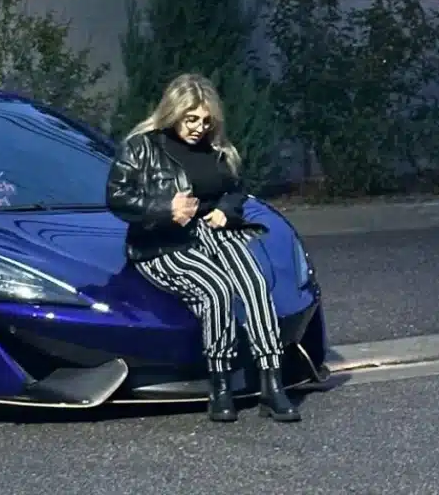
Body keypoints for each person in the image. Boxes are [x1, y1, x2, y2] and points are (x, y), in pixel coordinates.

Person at [105, 73, 300, 424]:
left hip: (215, 231)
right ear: (173, 113)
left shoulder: (217, 148)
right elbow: (117, 198)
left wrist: (227, 210)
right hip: (163, 241)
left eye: (207, 121)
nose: (199, 127)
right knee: (217, 290)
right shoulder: (141, 146)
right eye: (191, 119)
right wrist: (166, 209)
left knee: (255, 285)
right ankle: (220, 385)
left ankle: (272, 383)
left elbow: (236, 189)